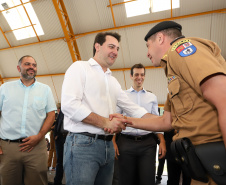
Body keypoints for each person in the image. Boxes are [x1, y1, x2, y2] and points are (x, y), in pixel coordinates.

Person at [110, 21, 226, 185]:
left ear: (160, 38)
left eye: (148, 46)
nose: (147, 53)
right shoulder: (173, 73)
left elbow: (223, 97)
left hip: (213, 156)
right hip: (200, 162)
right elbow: (166, 121)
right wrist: (127, 121)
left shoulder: (181, 51)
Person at [61, 32, 153, 185]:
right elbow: (69, 105)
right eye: (111, 47)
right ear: (97, 46)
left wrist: (163, 121)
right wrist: (106, 123)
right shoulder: (80, 68)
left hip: (108, 146)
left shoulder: (113, 81)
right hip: (83, 144)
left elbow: (134, 109)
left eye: (117, 48)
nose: (115, 52)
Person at [0, 55, 56, 185]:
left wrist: (40, 136)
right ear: (19, 68)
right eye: (27, 64)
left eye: (34, 65)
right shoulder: (5, 88)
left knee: (38, 182)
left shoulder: (45, 90)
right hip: (8, 148)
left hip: (36, 147)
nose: (32, 67)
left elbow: (51, 115)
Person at [113, 63, 166, 185]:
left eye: (142, 74)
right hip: (126, 143)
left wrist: (162, 141)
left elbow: (157, 121)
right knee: (126, 181)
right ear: (131, 76)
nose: (139, 77)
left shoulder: (152, 97)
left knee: (147, 180)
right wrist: (113, 142)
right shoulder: (122, 95)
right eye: (136, 74)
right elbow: (116, 120)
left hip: (147, 145)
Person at [54, 104, 67, 185]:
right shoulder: (63, 109)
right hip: (60, 138)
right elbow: (58, 121)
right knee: (59, 162)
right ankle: (57, 182)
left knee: (70, 162)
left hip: (70, 138)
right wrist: (55, 135)